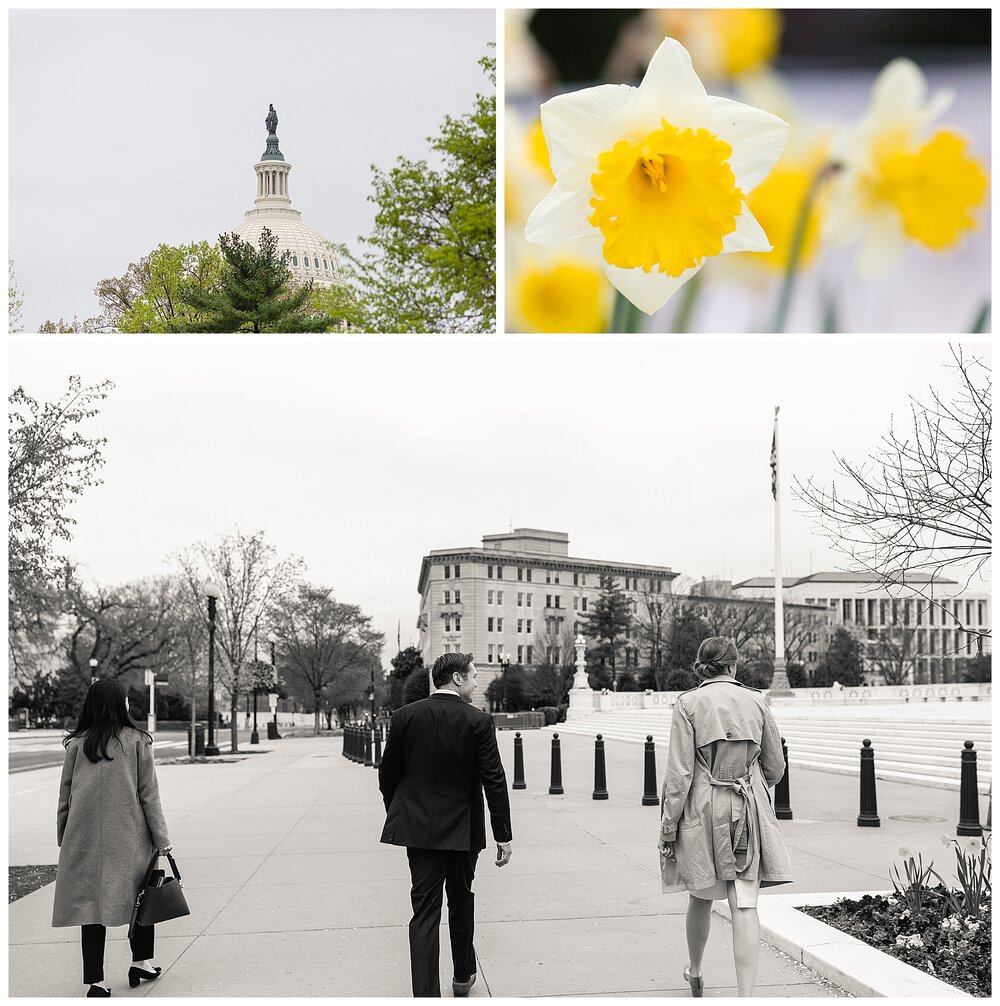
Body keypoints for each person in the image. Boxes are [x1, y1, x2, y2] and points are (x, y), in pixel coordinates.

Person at [658, 637, 793, 998]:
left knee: (700, 894)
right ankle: (745, 998)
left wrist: (668, 827)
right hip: (746, 805)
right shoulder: (756, 700)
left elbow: (679, 774)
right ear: (733, 665)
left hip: (702, 807)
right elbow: (776, 766)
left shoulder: (687, 703)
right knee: (745, 902)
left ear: (703, 666)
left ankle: (696, 970)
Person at [378, 652, 513, 997]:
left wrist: (400, 813)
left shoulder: (405, 716)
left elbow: (388, 774)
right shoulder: (478, 721)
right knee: (461, 898)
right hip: (463, 830)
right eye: (472, 675)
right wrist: (503, 835)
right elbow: (494, 781)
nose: (476, 681)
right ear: (456, 678)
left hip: (418, 829)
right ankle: (463, 974)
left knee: (423, 910)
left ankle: (425, 995)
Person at [51, 678, 173, 997]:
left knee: (91, 907)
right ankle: (141, 962)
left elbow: (65, 795)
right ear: (119, 705)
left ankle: (96, 980)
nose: (130, 703)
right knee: (142, 897)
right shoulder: (137, 741)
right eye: (127, 699)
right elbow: (149, 795)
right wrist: (162, 837)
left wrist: (64, 835)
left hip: (85, 837)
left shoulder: (78, 743)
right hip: (131, 837)